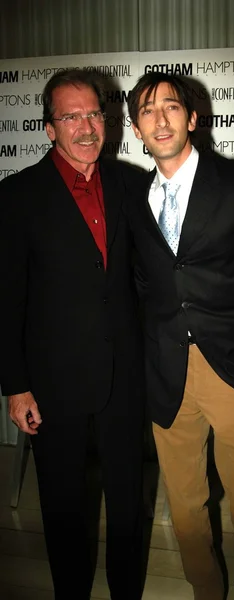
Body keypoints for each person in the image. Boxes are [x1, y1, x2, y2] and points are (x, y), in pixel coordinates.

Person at [123, 71, 234, 600]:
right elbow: (146, 285)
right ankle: (204, 590)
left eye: (170, 107)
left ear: (192, 118)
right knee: (186, 499)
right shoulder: (134, 200)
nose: (160, 119)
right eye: (147, 111)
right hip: (167, 372)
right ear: (136, 129)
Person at [0, 69, 145, 600]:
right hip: (53, 384)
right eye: (71, 116)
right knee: (64, 507)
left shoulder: (131, 184)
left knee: (129, 501)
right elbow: (7, 298)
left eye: (93, 114)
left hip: (125, 376)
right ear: (47, 128)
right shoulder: (16, 196)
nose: (86, 127)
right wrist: (15, 386)